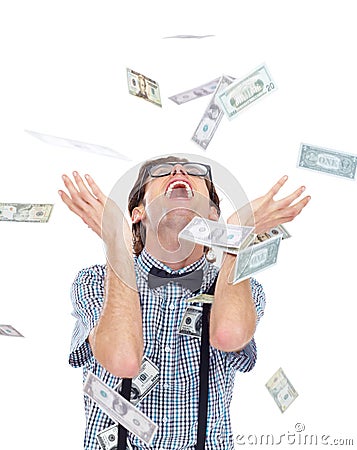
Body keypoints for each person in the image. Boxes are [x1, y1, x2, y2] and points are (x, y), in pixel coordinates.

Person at [59, 156, 310, 450]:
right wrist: (117, 245)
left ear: (213, 215)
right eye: (162, 172)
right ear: (138, 213)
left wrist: (237, 237)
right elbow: (122, 359)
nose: (179, 171)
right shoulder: (94, 282)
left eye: (194, 172)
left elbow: (228, 334)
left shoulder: (245, 288)